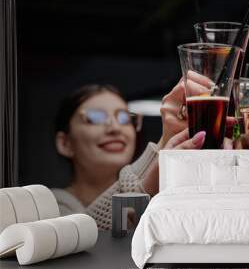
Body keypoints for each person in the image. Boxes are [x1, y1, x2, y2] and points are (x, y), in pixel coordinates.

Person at [53, 83, 208, 230]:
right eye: (95, 118)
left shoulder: (159, 202)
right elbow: (87, 232)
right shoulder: (51, 205)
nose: (115, 128)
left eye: (124, 118)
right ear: (65, 143)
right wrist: (163, 145)